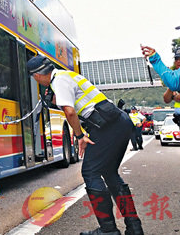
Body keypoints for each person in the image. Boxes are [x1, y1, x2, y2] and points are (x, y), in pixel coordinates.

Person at [27, 55, 143, 235]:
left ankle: (108, 230)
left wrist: (80, 135)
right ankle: (134, 227)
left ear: (37, 75)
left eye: (34, 77)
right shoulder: (68, 75)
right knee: (109, 173)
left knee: (90, 172)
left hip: (108, 127)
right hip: (119, 122)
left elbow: (70, 111)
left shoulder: (59, 80)